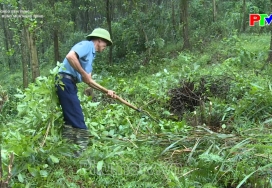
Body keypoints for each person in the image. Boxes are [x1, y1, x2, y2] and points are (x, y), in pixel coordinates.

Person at [56, 28, 116, 155]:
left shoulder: (91, 56)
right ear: (99, 40)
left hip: (69, 84)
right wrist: (83, 73)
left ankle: (67, 151)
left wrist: (107, 91)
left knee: (70, 118)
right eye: (105, 44)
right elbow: (70, 56)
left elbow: (89, 81)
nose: (105, 47)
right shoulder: (86, 45)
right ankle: (81, 154)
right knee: (78, 118)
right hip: (64, 81)